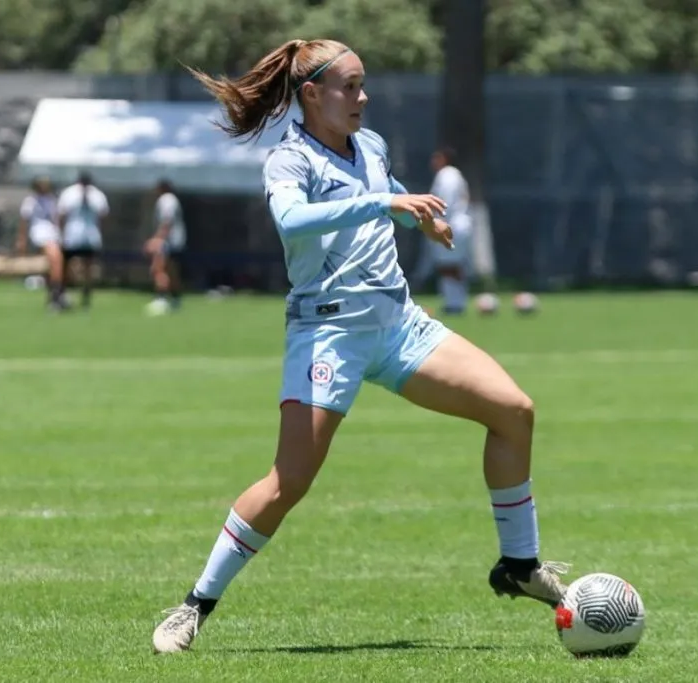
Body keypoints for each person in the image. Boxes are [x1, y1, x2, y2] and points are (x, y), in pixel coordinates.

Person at [151, 39, 569, 654]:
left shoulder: (370, 146)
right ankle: (193, 607)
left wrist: (419, 217)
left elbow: (389, 192)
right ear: (312, 95)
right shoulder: (289, 162)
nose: (362, 97)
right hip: (328, 333)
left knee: (514, 411)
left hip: (399, 326)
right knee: (288, 481)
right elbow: (294, 221)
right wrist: (386, 203)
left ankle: (519, 564)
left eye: (363, 83)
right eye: (349, 86)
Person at [425, 146, 473, 314]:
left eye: (437, 157)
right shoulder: (453, 174)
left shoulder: (447, 175)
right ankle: (455, 301)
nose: (433, 161)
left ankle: (455, 303)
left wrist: (437, 222)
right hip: (458, 224)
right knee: (451, 265)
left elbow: (446, 202)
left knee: (449, 266)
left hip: (452, 224)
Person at [57, 172, 109, 310]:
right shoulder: (69, 193)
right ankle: (61, 294)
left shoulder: (97, 195)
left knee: (88, 268)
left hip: (90, 236)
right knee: (65, 266)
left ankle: (86, 297)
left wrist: (100, 233)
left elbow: (103, 216)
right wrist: (61, 234)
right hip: (72, 235)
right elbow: (62, 215)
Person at [16, 177, 67, 311]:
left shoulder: (52, 200)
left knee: (57, 265)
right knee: (55, 260)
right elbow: (24, 222)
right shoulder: (30, 202)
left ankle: (57, 294)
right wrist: (22, 241)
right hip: (40, 233)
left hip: (53, 234)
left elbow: (57, 218)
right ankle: (56, 296)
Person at [143, 178, 186, 314]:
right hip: (176, 240)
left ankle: (161, 299)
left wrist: (157, 239)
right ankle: (176, 299)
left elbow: (167, 221)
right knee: (172, 271)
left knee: (158, 268)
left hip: (169, 240)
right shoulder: (173, 199)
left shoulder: (166, 200)